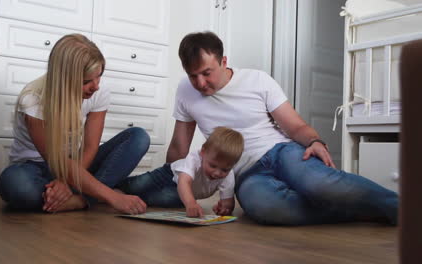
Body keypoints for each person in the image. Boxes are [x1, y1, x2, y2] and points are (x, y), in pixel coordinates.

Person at [167, 31, 399, 225]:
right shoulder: (186, 91)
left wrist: (314, 141)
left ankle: (404, 210)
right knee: (266, 208)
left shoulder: (257, 80)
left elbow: (295, 126)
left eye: (206, 73)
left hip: (281, 152)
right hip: (246, 174)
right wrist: (169, 184)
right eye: (192, 76)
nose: (200, 83)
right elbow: (179, 145)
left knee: (320, 184)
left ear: (223, 61)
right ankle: (357, 212)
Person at [0, 34, 149, 215]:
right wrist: (113, 197)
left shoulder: (98, 93)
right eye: (86, 81)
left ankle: (80, 200)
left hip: (77, 164)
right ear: (64, 78)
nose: (95, 86)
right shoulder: (33, 100)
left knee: (138, 137)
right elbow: (56, 161)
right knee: (17, 185)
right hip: (35, 168)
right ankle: (95, 192)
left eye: (99, 76)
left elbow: (90, 147)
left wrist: (66, 181)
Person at [117, 126, 244, 217]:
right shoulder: (195, 158)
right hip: (169, 174)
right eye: (212, 165)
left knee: (164, 200)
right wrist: (191, 203)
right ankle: (116, 186)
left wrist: (224, 209)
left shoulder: (228, 176)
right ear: (203, 152)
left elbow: (228, 202)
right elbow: (184, 181)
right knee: (140, 184)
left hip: (182, 193)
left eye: (224, 169)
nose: (217, 173)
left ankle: (130, 199)